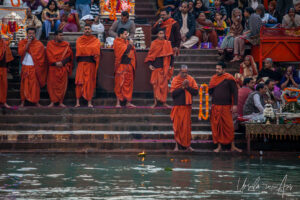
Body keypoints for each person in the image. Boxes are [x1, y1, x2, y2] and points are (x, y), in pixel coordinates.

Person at [209, 62, 241, 153]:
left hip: (226, 106)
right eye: (216, 68)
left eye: (219, 69)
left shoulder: (229, 78)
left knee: (229, 127)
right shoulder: (214, 78)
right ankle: (219, 146)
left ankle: (232, 146)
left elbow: (235, 92)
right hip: (216, 106)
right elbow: (210, 91)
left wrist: (235, 104)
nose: (217, 70)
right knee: (217, 127)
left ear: (224, 69)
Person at [170, 65, 198, 152]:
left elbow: (195, 92)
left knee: (186, 128)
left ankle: (187, 145)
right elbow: (173, 94)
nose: (185, 74)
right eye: (183, 72)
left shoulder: (191, 79)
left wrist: (187, 87)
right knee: (177, 127)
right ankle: (176, 146)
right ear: (179, 71)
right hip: (178, 107)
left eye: (186, 72)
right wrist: (182, 87)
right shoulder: (175, 80)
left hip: (187, 107)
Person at [145, 29, 174, 108]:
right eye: (160, 33)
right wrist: (150, 64)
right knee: (155, 86)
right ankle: (155, 102)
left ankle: (164, 102)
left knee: (164, 87)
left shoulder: (167, 43)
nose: (161, 35)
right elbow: (150, 55)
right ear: (157, 34)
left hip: (165, 68)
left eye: (162, 33)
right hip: (156, 68)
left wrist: (170, 65)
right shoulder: (154, 43)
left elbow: (171, 56)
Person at [18, 27, 47, 107]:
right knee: (24, 85)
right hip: (25, 67)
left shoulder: (39, 44)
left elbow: (42, 59)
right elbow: (20, 52)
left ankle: (35, 101)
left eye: (33, 33)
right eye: (29, 33)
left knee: (34, 85)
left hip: (34, 68)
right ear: (27, 34)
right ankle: (23, 102)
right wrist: (28, 43)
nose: (31, 35)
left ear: (35, 34)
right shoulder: (22, 42)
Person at [75, 24, 101, 108]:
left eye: (88, 29)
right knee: (79, 82)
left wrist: (85, 49)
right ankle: (77, 102)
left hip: (90, 64)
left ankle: (89, 102)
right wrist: (89, 49)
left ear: (91, 30)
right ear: (83, 30)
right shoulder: (79, 40)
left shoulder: (95, 40)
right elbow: (79, 49)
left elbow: (96, 50)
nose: (87, 30)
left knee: (89, 83)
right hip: (81, 64)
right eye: (85, 29)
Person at [46, 30, 73, 108]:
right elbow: (48, 55)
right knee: (52, 85)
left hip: (62, 67)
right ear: (55, 36)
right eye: (60, 35)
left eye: (62, 35)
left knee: (62, 85)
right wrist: (55, 63)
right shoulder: (50, 44)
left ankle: (61, 101)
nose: (62, 37)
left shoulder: (66, 45)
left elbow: (69, 56)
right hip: (53, 67)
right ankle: (52, 101)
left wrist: (62, 62)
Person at [113, 28, 136, 108]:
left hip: (129, 66)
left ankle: (128, 102)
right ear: (120, 35)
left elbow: (132, 53)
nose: (127, 36)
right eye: (125, 34)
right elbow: (124, 52)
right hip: (121, 66)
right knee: (119, 84)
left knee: (129, 84)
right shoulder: (117, 42)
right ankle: (118, 103)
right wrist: (130, 45)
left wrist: (130, 45)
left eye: (127, 34)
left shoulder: (127, 42)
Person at [0, 35, 14, 108]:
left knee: (3, 86)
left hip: (3, 68)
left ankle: (3, 101)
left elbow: (8, 57)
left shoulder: (5, 45)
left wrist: (8, 67)